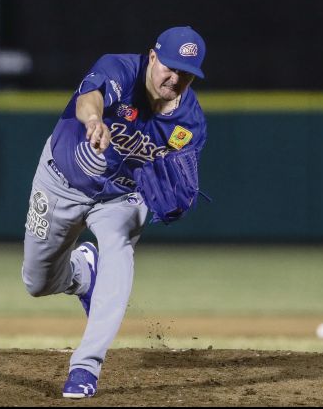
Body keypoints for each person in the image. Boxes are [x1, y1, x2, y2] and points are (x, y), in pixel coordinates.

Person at [21, 26, 208, 398]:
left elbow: (179, 179)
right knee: (37, 283)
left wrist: (174, 203)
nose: (175, 78)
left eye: (186, 73)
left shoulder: (190, 123)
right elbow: (88, 98)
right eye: (170, 67)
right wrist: (94, 121)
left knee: (119, 251)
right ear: (152, 57)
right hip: (59, 180)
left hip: (121, 198)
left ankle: (85, 367)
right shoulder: (120, 70)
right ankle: (82, 274)